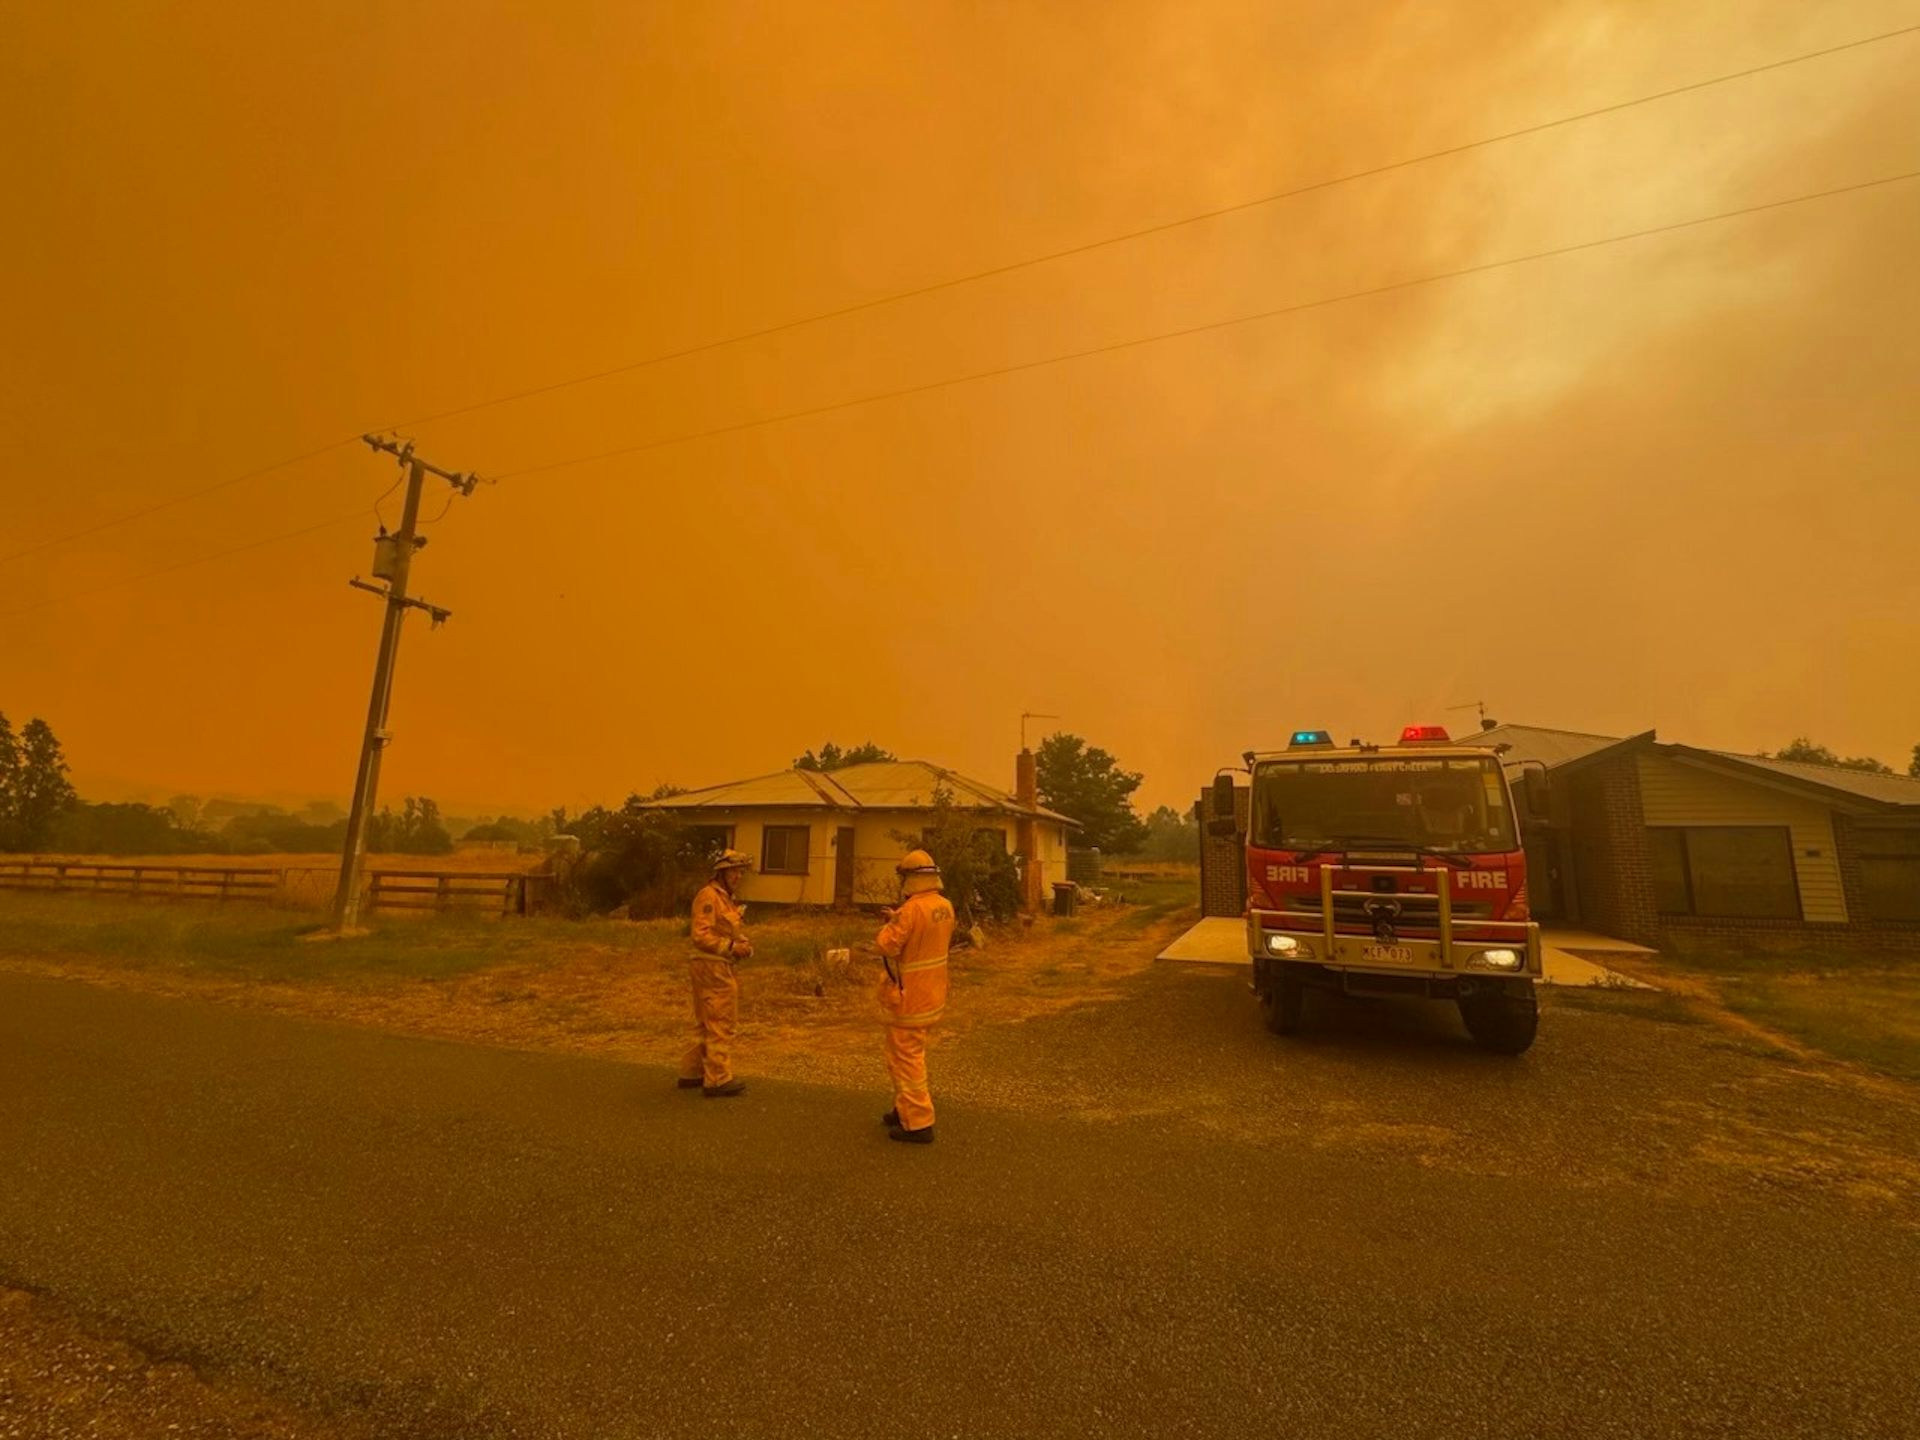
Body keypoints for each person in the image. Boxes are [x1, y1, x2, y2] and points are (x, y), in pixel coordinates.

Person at [873, 849, 955, 1145]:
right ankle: (903, 1108)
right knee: (904, 1055)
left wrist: (891, 923)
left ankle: (919, 1122)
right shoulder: (944, 906)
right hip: (932, 994)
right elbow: (922, 938)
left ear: (910, 878)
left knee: (906, 1059)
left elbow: (886, 946)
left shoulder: (910, 910)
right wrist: (897, 918)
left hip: (908, 999)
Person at [679, 849, 753, 1097]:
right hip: (712, 965)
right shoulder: (709, 896)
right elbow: (701, 935)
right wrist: (731, 947)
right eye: (734, 871)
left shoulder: (725, 898)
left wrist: (742, 944)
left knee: (706, 1020)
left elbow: (727, 929)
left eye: (740, 871)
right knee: (721, 1020)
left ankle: (692, 1072)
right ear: (721, 872)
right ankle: (718, 1079)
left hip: (714, 964)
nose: (738, 876)